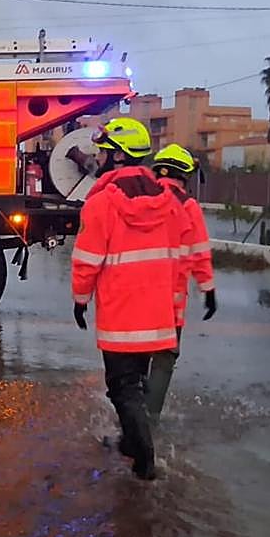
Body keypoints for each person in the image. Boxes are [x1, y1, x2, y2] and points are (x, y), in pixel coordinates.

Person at [71, 118, 191, 480]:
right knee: (135, 382)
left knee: (122, 388)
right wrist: (174, 307)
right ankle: (131, 443)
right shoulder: (170, 201)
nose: (98, 158)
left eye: (104, 152)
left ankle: (144, 461)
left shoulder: (101, 202)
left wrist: (80, 299)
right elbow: (179, 257)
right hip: (156, 314)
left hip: (120, 316)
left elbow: (87, 259)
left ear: (119, 156)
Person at [146, 144, 217, 420]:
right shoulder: (188, 206)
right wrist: (207, 289)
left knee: (134, 357)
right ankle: (150, 419)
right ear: (185, 175)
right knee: (164, 358)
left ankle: (129, 413)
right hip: (170, 303)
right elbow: (200, 252)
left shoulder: (138, 200)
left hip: (133, 297)